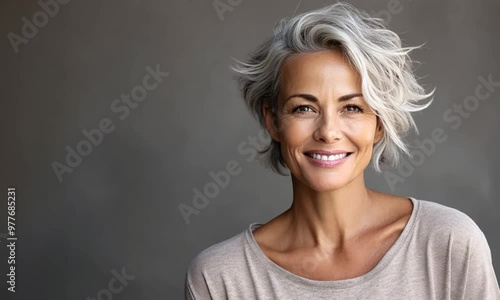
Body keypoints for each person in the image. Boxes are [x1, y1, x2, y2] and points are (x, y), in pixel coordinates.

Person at [184, 2, 500, 299]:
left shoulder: (449, 243)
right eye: (304, 108)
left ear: (379, 123)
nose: (328, 132)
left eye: (351, 107)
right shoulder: (220, 277)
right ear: (273, 119)